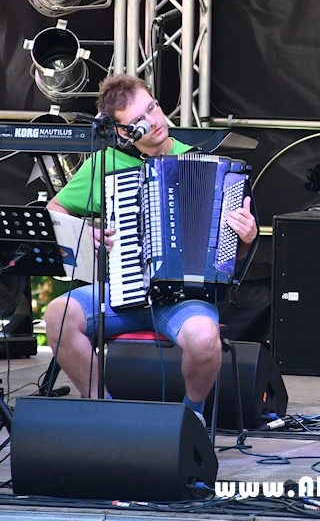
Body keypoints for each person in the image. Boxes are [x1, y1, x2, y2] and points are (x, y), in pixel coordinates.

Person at [44, 74, 258, 426]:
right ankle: (104, 412)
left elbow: (231, 258)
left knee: (205, 339)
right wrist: (86, 233)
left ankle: (192, 418)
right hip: (122, 294)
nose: (154, 121)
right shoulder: (106, 165)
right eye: (138, 121)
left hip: (183, 299)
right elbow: (55, 209)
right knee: (57, 315)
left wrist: (246, 237)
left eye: (152, 108)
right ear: (122, 132)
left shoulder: (206, 165)